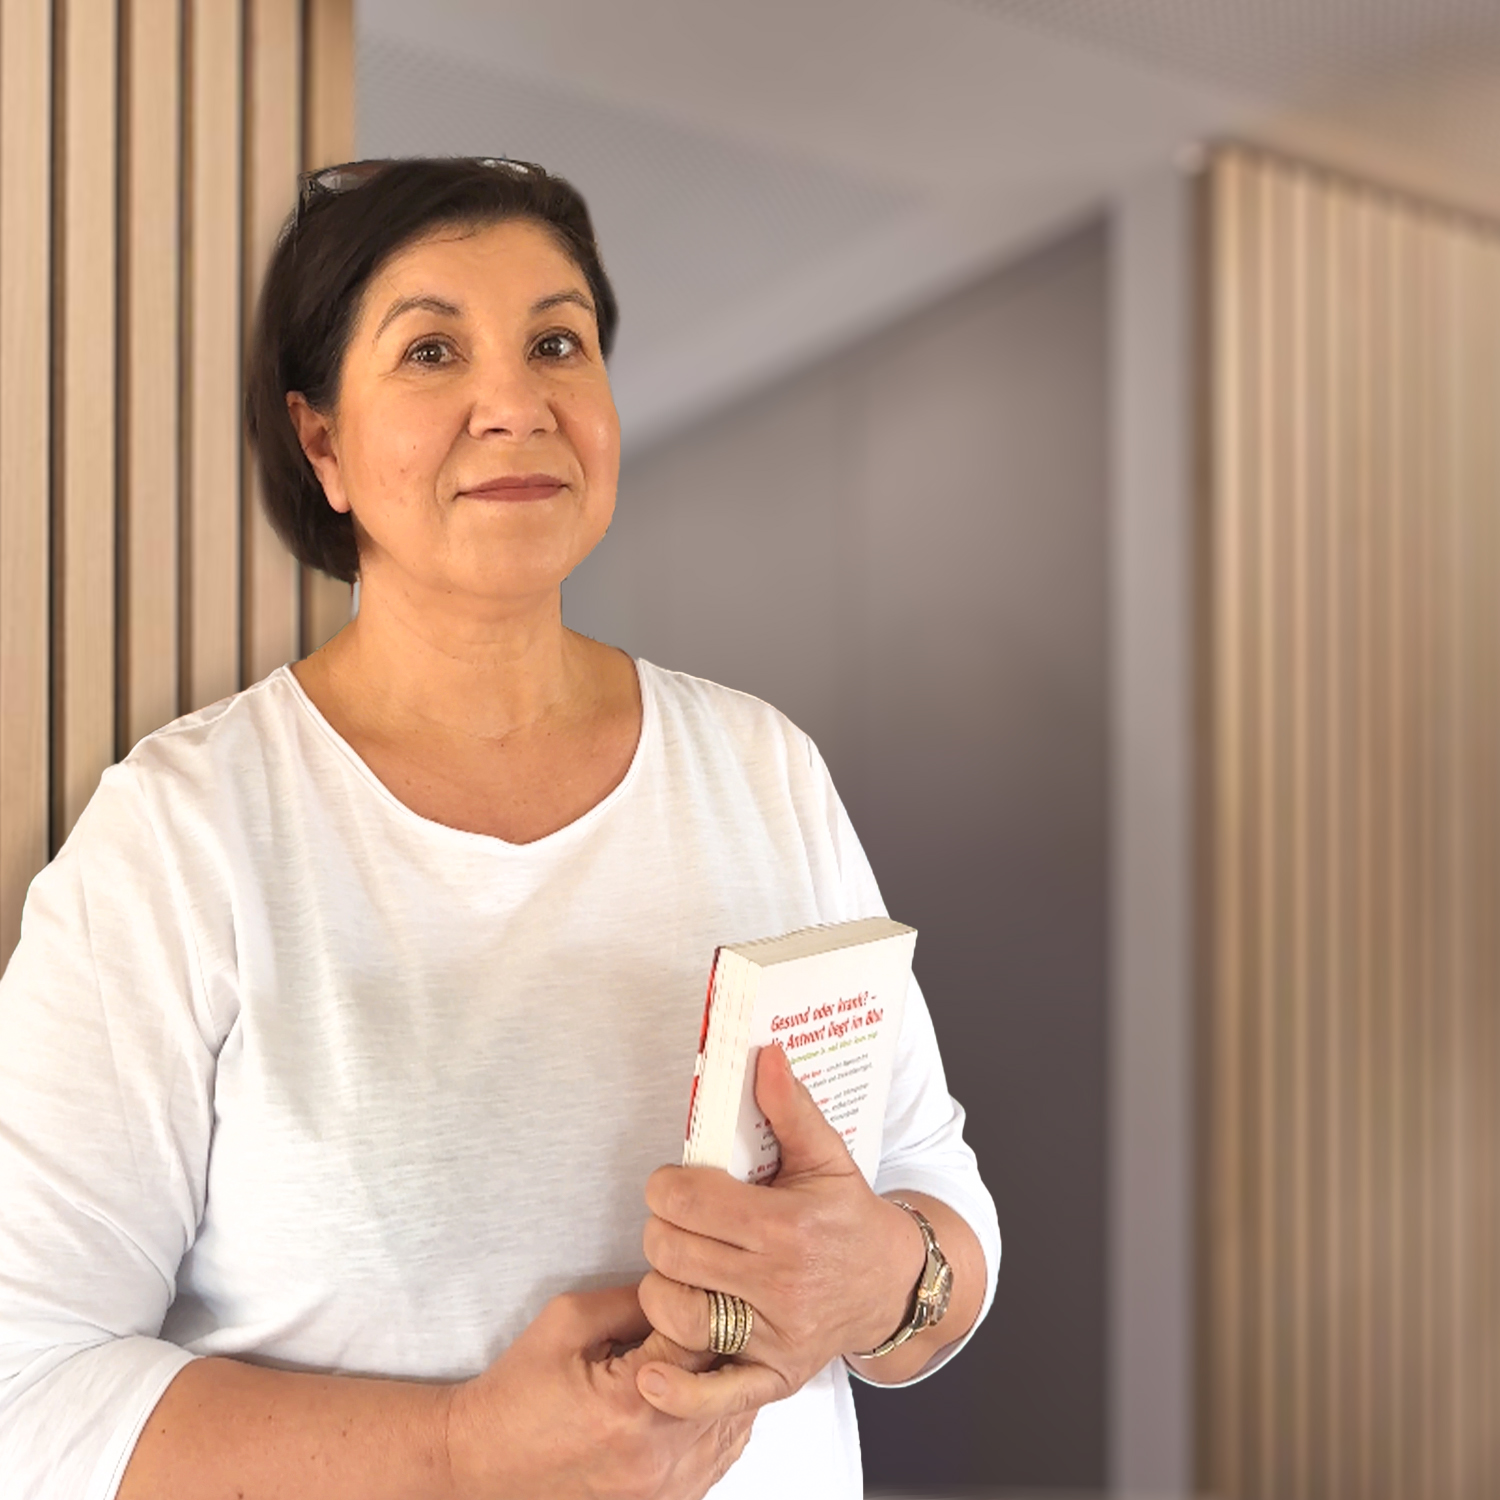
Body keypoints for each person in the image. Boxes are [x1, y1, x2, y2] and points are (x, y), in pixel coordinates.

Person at [0, 157, 1000, 1499]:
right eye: (431, 350)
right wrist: (461, 1453)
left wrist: (883, 1279)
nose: (517, 403)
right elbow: (25, 1392)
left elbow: (932, 1191)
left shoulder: (763, 769)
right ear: (322, 443)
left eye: (557, 342)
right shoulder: (183, 836)